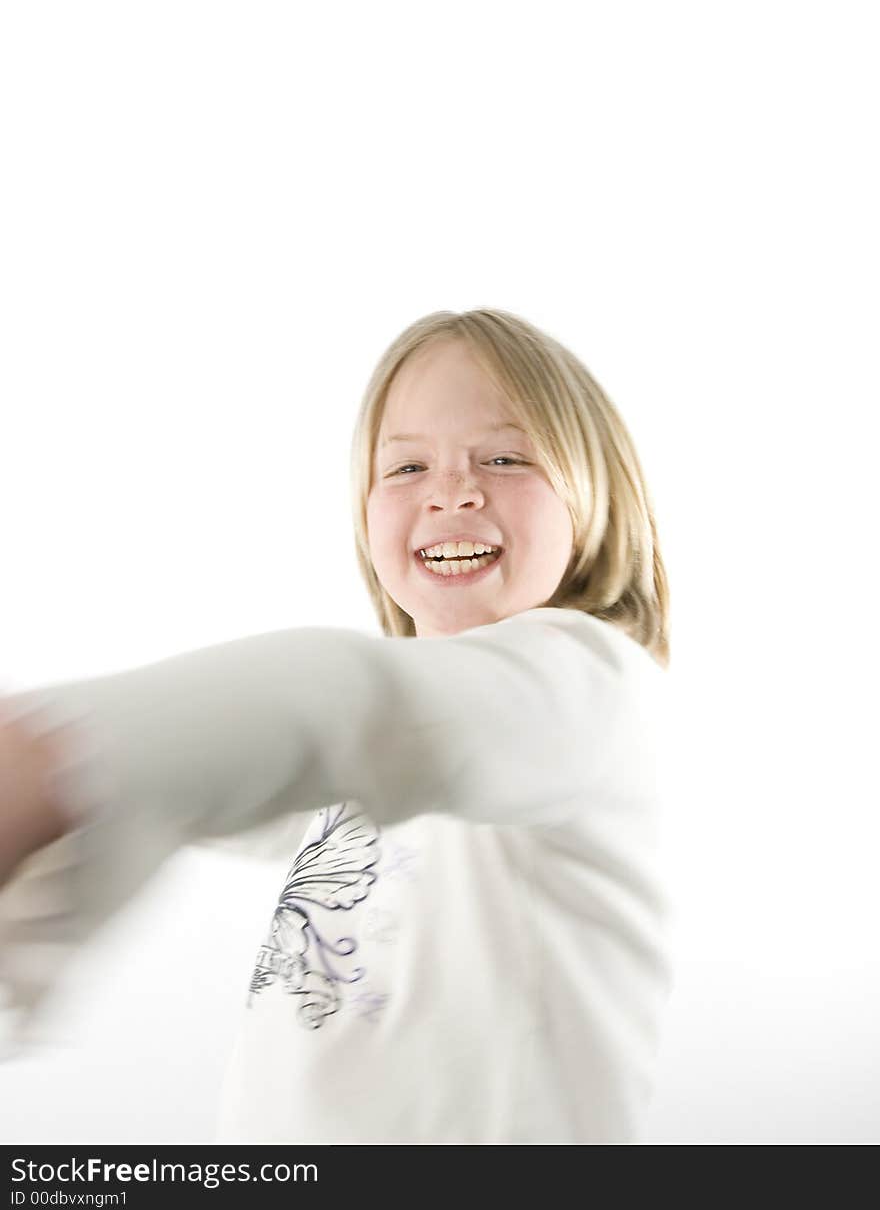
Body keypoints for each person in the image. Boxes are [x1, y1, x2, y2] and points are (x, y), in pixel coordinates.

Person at [0, 307, 674, 1144]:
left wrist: (63, 753)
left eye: (505, 458)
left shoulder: (581, 681)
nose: (452, 489)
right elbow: (245, 765)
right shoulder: (385, 752)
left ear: (596, 494)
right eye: (406, 466)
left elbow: (340, 701)